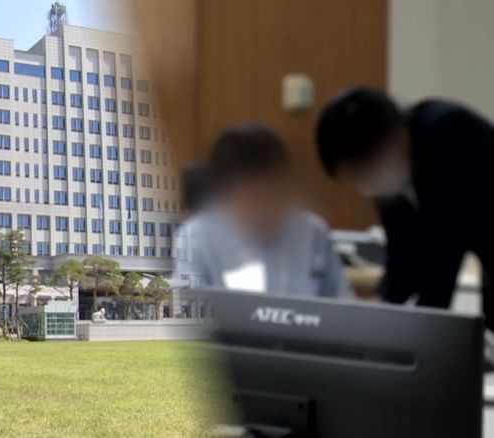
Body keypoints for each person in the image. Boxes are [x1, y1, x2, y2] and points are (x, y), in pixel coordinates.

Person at [316, 86, 494, 326]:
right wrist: (382, 304)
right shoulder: (388, 172)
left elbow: (446, 248)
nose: (365, 183)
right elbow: (402, 255)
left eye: (364, 171)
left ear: (398, 137)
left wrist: (421, 329)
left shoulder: (447, 131)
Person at [175, 123, 352, 298]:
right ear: (225, 197)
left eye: (277, 193)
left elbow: (344, 303)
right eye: (255, 198)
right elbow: (185, 310)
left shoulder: (312, 232)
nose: (269, 208)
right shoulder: (194, 240)